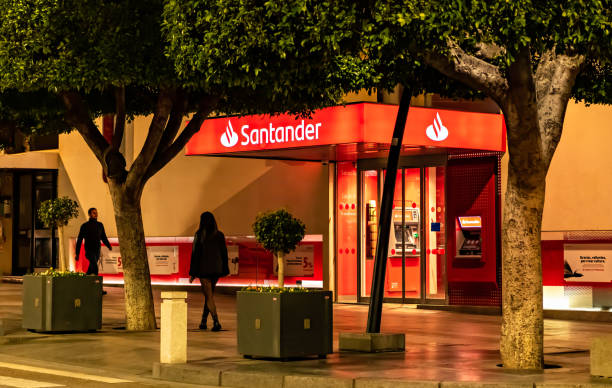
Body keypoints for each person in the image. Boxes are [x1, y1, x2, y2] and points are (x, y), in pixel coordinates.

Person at [189, 211, 229, 331]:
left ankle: (216, 322)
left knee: (209, 296)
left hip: (204, 269)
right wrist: (225, 269)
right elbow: (224, 253)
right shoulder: (220, 235)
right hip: (216, 269)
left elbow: (195, 254)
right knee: (209, 295)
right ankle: (203, 321)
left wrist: (192, 273)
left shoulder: (200, 234)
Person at [75, 208, 112, 285]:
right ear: (89, 214)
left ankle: (84, 283)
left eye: (96, 212)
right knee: (95, 266)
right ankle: (97, 287)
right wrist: (77, 253)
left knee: (91, 268)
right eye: (94, 213)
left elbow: (103, 237)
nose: (96, 214)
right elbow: (79, 240)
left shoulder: (100, 225)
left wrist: (108, 245)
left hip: (97, 250)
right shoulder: (84, 226)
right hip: (88, 250)